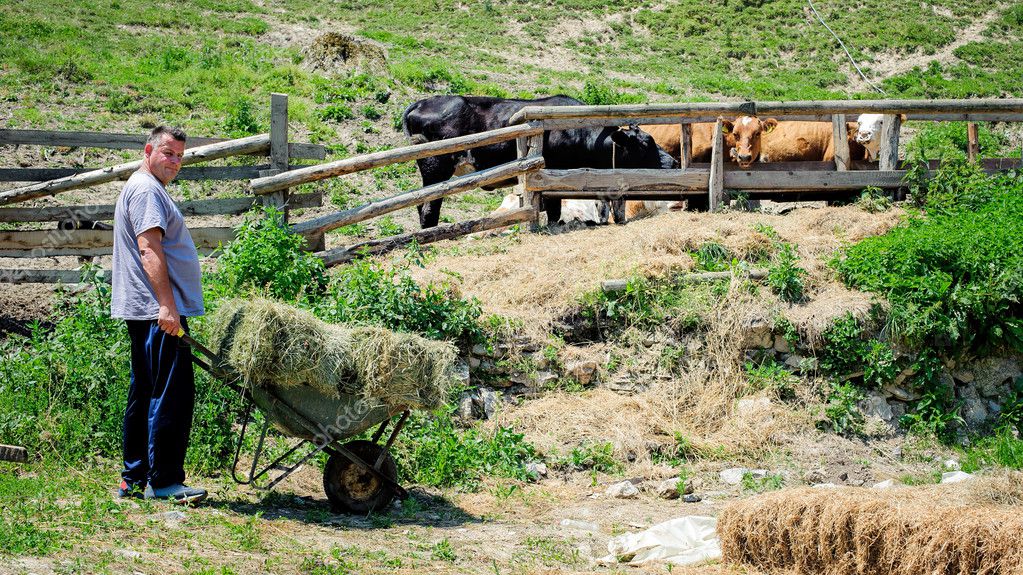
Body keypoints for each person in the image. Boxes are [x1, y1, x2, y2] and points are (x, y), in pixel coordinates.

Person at [111, 126, 207, 504]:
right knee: (171, 393)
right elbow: (149, 250)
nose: (174, 162)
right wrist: (167, 306)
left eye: (180, 157)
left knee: (146, 391)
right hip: (158, 311)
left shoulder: (141, 187)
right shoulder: (147, 190)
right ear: (149, 149)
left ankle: (133, 478)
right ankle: (164, 481)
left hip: (147, 310)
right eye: (168, 153)